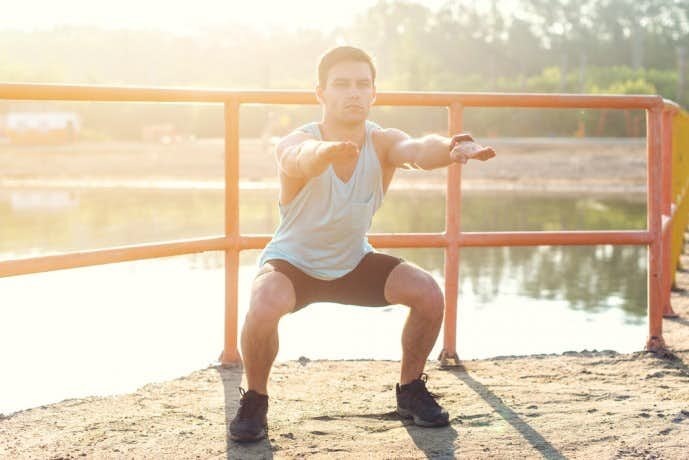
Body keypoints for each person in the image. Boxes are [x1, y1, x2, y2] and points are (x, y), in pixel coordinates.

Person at [230, 46, 495, 442]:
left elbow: (418, 150)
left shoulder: (383, 141)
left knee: (428, 294)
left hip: (353, 262)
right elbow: (297, 159)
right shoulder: (296, 140)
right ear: (321, 93)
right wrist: (327, 152)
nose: (353, 93)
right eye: (341, 85)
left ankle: (410, 391)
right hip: (293, 265)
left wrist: (452, 149)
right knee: (264, 303)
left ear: (374, 93)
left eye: (362, 84)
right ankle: (255, 401)